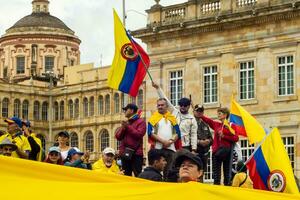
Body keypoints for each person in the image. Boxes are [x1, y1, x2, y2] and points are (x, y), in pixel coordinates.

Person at [152, 82, 197, 153]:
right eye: (181, 105)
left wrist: (194, 149)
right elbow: (165, 100)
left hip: (184, 145)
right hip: (172, 143)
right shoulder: (174, 112)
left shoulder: (192, 119)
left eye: (185, 105)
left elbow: (194, 134)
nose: (182, 107)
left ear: (188, 106)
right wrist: (158, 88)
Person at [200, 107, 239, 185]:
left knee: (226, 171)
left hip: (226, 150)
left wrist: (224, 136)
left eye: (220, 113)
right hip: (217, 149)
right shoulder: (217, 125)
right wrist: (201, 115)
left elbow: (236, 138)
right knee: (216, 172)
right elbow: (208, 121)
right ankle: (217, 185)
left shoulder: (231, 125)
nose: (218, 115)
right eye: (218, 113)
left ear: (225, 115)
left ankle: (227, 186)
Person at [148, 98, 181, 180]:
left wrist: (170, 141)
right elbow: (150, 132)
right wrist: (163, 142)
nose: (160, 107)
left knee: (170, 172)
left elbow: (177, 132)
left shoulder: (172, 118)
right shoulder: (153, 118)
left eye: (162, 105)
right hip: (158, 149)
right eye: (158, 105)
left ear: (166, 106)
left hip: (171, 149)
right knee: (157, 171)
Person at [115, 103, 146, 177]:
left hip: (136, 154)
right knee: (126, 175)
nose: (124, 111)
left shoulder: (141, 122)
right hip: (125, 153)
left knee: (138, 175)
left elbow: (139, 135)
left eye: (126, 109)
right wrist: (123, 128)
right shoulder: (127, 122)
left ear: (132, 110)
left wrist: (128, 127)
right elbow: (118, 136)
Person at [193, 104, 213, 182]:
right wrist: (199, 142)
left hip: (204, 154)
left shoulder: (205, 124)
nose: (199, 112)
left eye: (201, 111)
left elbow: (211, 139)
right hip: (195, 153)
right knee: (194, 173)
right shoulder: (190, 122)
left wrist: (208, 141)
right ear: (194, 111)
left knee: (201, 173)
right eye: (197, 111)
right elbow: (186, 137)